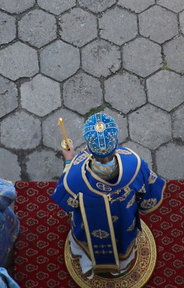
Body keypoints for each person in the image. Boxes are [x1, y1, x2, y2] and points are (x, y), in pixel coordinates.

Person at [52, 111, 165, 278]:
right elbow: (149, 194)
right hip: (124, 222)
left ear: (90, 148)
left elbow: (67, 202)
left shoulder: (75, 174)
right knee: (123, 238)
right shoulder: (133, 162)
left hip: (89, 230)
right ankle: (123, 263)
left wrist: (69, 160)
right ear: (115, 142)